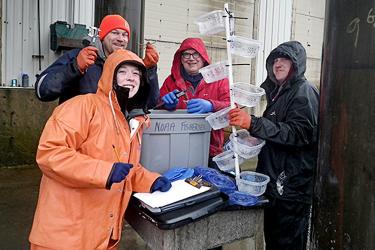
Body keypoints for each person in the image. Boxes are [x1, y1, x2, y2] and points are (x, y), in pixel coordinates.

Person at [29, 49, 172, 249]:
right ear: (109, 75)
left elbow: (125, 167)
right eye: (123, 72)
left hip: (102, 237)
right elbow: (50, 154)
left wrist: (150, 180)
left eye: (136, 74)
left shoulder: (132, 121)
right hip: (64, 237)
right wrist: (105, 171)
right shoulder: (81, 107)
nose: (130, 78)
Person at [229, 41, 319, 249]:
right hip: (276, 185)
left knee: (287, 243)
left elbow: (300, 133)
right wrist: (253, 137)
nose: (278, 63)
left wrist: (254, 123)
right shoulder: (279, 93)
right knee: (274, 240)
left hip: (291, 188)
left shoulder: (303, 92)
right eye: (275, 60)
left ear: (297, 64)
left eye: (284, 58)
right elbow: (278, 131)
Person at [35, 14, 160, 108]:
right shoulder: (79, 56)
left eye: (125, 35)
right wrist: (75, 67)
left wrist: (148, 70)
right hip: (77, 136)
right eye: (115, 33)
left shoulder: (128, 65)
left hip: (110, 137)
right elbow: (42, 91)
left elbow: (149, 103)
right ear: (103, 36)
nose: (121, 39)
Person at [160, 37, 230, 167]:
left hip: (211, 151)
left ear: (203, 57)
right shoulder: (170, 82)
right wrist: (166, 106)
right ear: (180, 58)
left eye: (196, 53)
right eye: (186, 54)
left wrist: (211, 105)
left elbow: (233, 108)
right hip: (177, 150)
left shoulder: (219, 80)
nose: (191, 58)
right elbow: (156, 109)